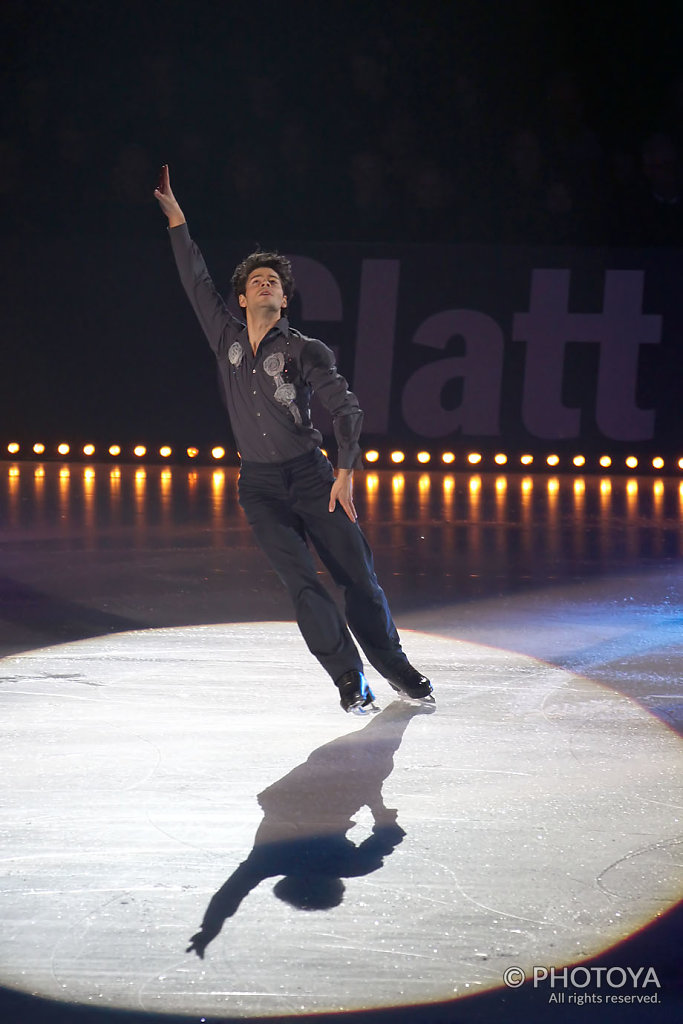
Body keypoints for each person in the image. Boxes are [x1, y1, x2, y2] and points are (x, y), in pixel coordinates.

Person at [154, 165, 432, 713]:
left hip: (313, 478)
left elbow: (344, 406)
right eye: (256, 279)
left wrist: (346, 472)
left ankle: (394, 665)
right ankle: (349, 680)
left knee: (359, 578)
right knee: (304, 587)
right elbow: (194, 278)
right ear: (241, 299)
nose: (265, 283)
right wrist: (178, 220)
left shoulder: (307, 351)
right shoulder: (225, 336)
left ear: (283, 302)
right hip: (259, 488)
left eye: (274, 281)